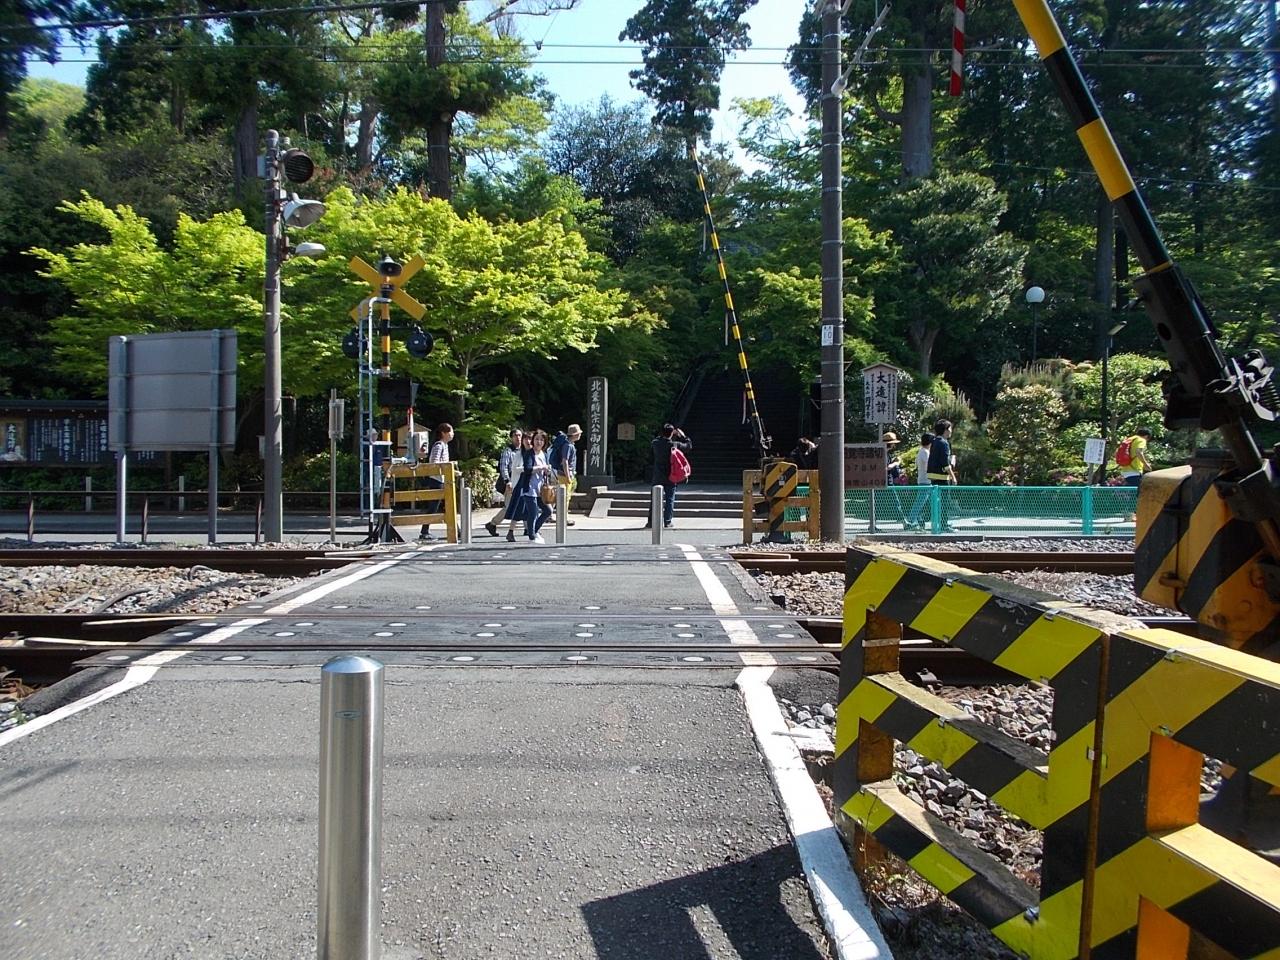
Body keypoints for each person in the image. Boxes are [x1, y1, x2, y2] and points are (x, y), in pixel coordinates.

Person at [647, 423, 692, 529]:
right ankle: (667, 521)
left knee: (654, 499)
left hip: (658, 475)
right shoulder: (674, 445)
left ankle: (651, 521)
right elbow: (688, 446)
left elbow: (652, 451)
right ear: (672, 433)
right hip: (671, 475)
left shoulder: (655, 443)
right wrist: (683, 436)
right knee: (669, 499)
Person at [515, 428, 553, 543]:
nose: (539, 442)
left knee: (548, 511)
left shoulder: (544, 454)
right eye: (536, 439)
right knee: (533, 512)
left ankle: (534, 531)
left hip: (540, 489)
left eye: (541, 440)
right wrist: (541, 468)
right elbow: (527, 469)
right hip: (529, 487)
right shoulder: (529, 453)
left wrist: (547, 470)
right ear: (533, 441)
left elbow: (546, 470)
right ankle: (532, 536)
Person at [484, 427, 523, 537]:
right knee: (509, 506)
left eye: (519, 435)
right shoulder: (508, 451)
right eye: (515, 436)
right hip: (511, 482)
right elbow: (503, 467)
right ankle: (492, 524)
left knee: (523, 503)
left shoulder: (524, 450)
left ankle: (529, 528)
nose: (518, 438)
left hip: (521, 481)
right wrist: (507, 481)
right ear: (511, 438)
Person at [418, 422, 453, 541]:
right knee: (434, 506)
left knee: (447, 505)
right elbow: (434, 462)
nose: (452, 434)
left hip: (443, 479)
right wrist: (446, 467)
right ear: (443, 433)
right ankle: (424, 531)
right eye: (450, 431)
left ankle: (456, 530)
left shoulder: (445, 445)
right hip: (436, 480)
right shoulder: (439, 445)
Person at [547, 423, 582, 526]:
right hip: (564, 474)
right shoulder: (568, 445)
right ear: (575, 434)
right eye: (578, 433)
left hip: (563, 473)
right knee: (565, 497)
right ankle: (563, 518)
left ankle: (555, 516)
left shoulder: (569, 444)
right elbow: (565, 461)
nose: (580, 435)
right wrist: (568, 476)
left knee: (563, 496)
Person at [926, 419, 957, 532]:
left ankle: (938, 524)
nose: (951, 431)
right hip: (942, 476)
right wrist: (953, 477)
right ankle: (944, 525)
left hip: (933, 475)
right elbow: (945, 464)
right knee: (944, 501)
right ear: (945, 430)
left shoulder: (934, 441)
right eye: (950, 428)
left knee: (937, 502)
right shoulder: (944, 443)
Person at [905, 432, 934, 530]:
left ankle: (918, 520)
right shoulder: (925, 452)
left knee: (929, 502)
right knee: (920, 503)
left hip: (924, 480)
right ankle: (911, 521)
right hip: (925, 481)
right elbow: (928, 466)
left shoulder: (922, 451)